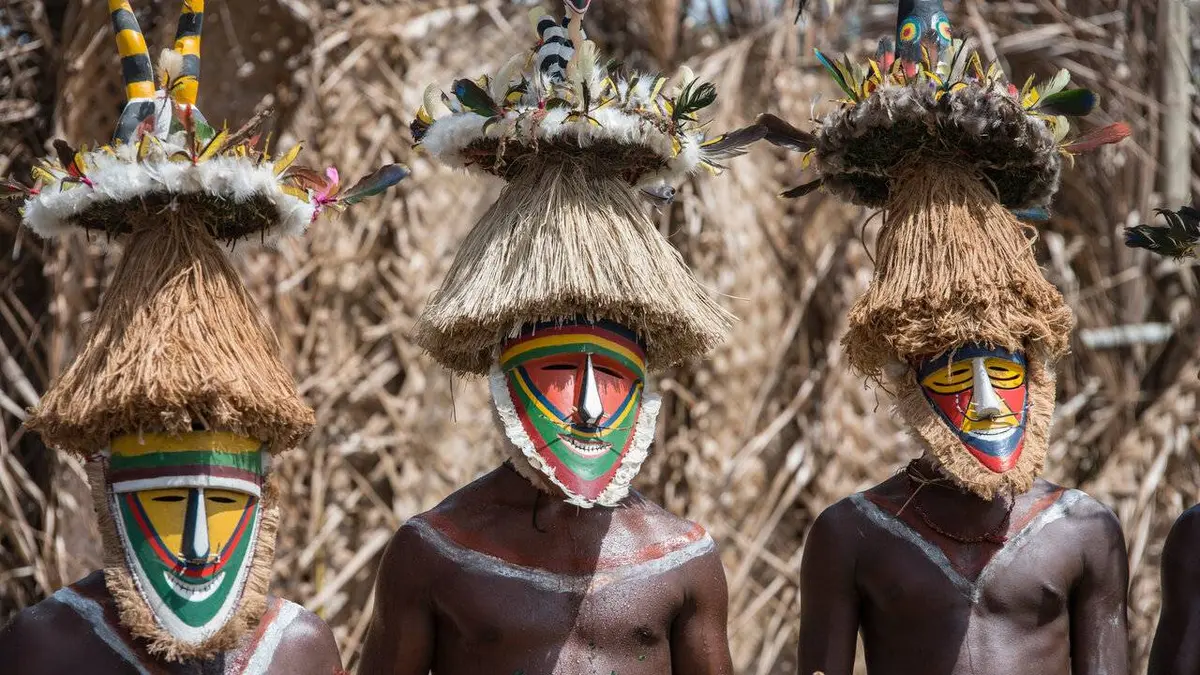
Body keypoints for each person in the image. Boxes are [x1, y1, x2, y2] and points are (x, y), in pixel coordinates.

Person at [357, 3, 764, 673]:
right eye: (556, 373)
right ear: (504, 371)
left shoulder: (681, 559)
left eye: (612, 378)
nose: (589, 410)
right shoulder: (435, 553)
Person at [0, 2, 404, 671]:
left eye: (221, 502)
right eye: (164, 499)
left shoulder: (298, 649)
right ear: (106, 480)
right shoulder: (46, 645)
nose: (196, 547)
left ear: (262, 493)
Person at [759, 13, 1132, 675]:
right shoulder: (853, 534)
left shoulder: (1083, 530)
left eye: (1004, 371)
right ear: (909, 376)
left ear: (1036, 369)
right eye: (956, 374)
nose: (987, 401)